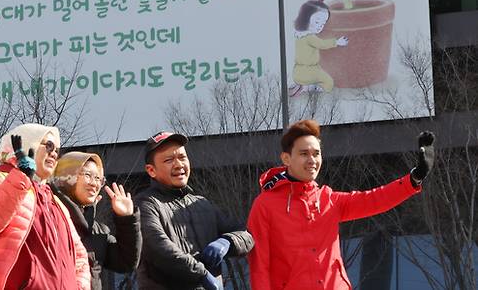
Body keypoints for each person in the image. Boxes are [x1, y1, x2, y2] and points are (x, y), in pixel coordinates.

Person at [246, 119, 435, 290]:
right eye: (304, 154)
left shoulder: (328, 199)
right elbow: (259, 266)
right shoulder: (265, 205)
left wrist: (414, 178)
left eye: (316, 154)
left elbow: (374, 199)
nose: (312, 160)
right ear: (286, 158)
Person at [0, 124, 90, 290]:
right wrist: (21, 177)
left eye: (57, 149)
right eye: (48, 145)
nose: (54, 153)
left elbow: (80, 256)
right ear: (28, 144)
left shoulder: (56, 201)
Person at [135, 131, 254, 290]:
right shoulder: (145, 204)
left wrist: (227, 241)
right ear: (151, 170)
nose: (178, 165)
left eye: (182, 157)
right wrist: (202, 275)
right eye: (169, 160)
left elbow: (246, 234)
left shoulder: (202, 204)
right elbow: (160, 250)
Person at [51, 151, 142, 290]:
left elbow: (127, 262)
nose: (94, 184)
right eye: (87, 175)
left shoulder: (98, 231)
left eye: (99, 178)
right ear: (66, 176)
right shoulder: (49, 220)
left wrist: (127, 219)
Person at [289, 0, 348, 97]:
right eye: (317, 22)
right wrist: (337, 42)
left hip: (297, 72)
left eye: (323, 24)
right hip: (310, 71)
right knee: (329, 83)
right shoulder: (310, 37)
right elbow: (322, 44)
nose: (320, 27)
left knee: (319, 74)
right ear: (305, 19)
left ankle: (301, 85)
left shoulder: (299, 35)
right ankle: (307, 87)